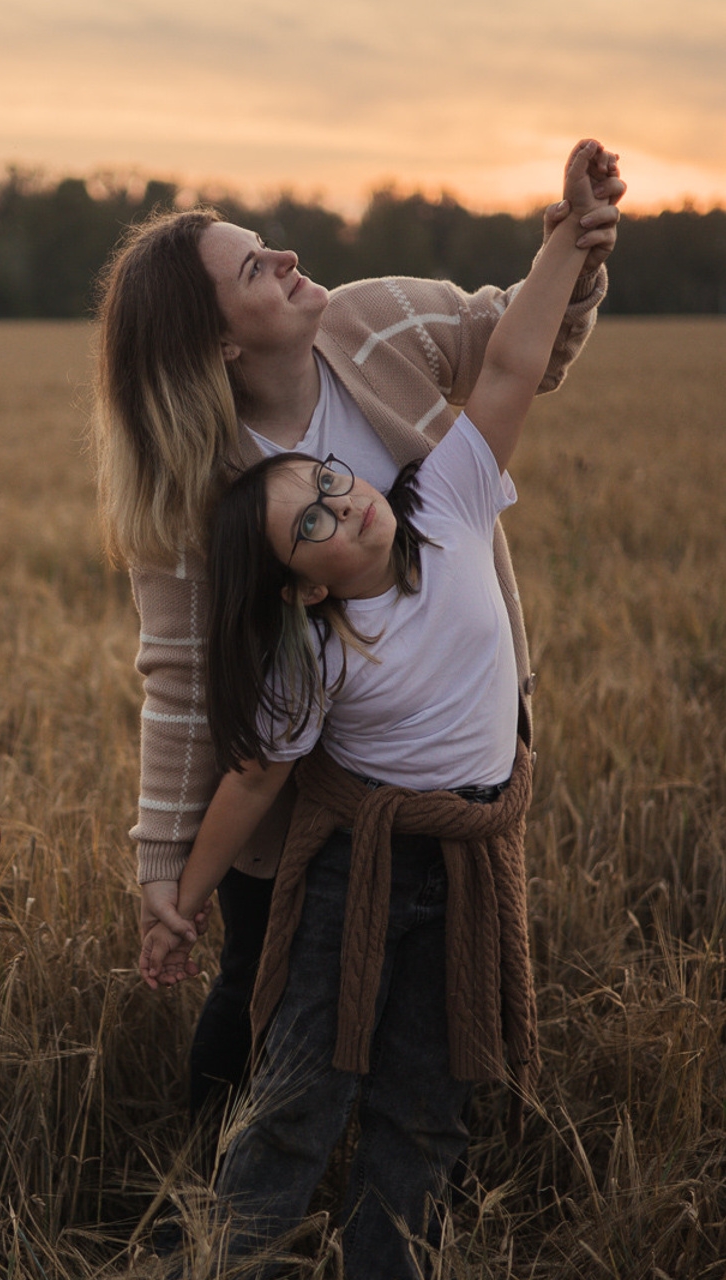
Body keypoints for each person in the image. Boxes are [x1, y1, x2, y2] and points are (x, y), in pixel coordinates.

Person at [135, 140, 616, 1278]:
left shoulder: (439, 496)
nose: (340, 497)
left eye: (339, 482)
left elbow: (504, 362)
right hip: (344, 851)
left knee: (426, 1088)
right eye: (253, 267)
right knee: (295, 1066)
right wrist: (173, 884)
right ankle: (213, 1236)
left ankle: (388, 1252)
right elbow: (217, 728)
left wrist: (570, 242)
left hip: (460, 843)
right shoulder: (292, 624)